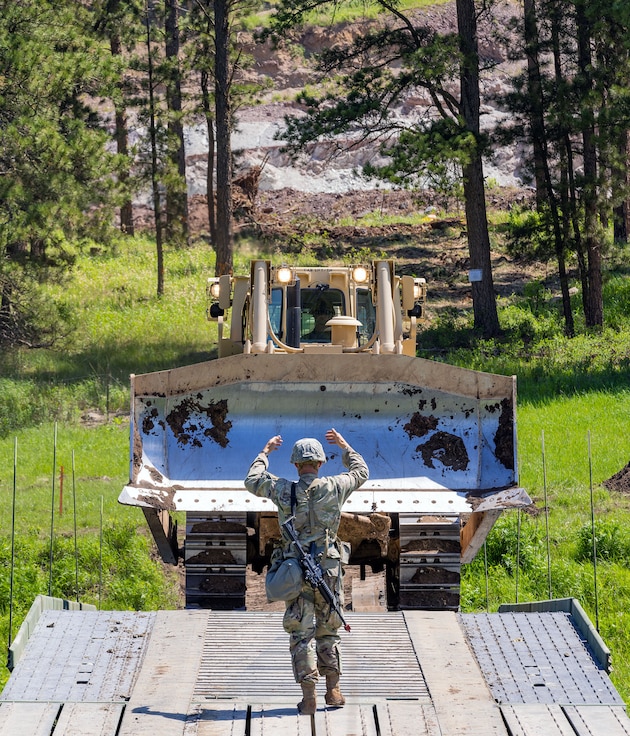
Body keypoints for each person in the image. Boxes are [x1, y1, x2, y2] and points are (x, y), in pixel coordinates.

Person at [244, 428, 369, 716]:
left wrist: (264, 452)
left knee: (301, 633)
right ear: (322, 464)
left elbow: (252, 480)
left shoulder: (284, 489)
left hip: (296, 571)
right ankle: (334, 691)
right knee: (330, 630)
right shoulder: (336, 486)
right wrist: (343, 444)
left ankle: (309, 696)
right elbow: (361, 471)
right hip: (328, 571)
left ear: (296, 465)